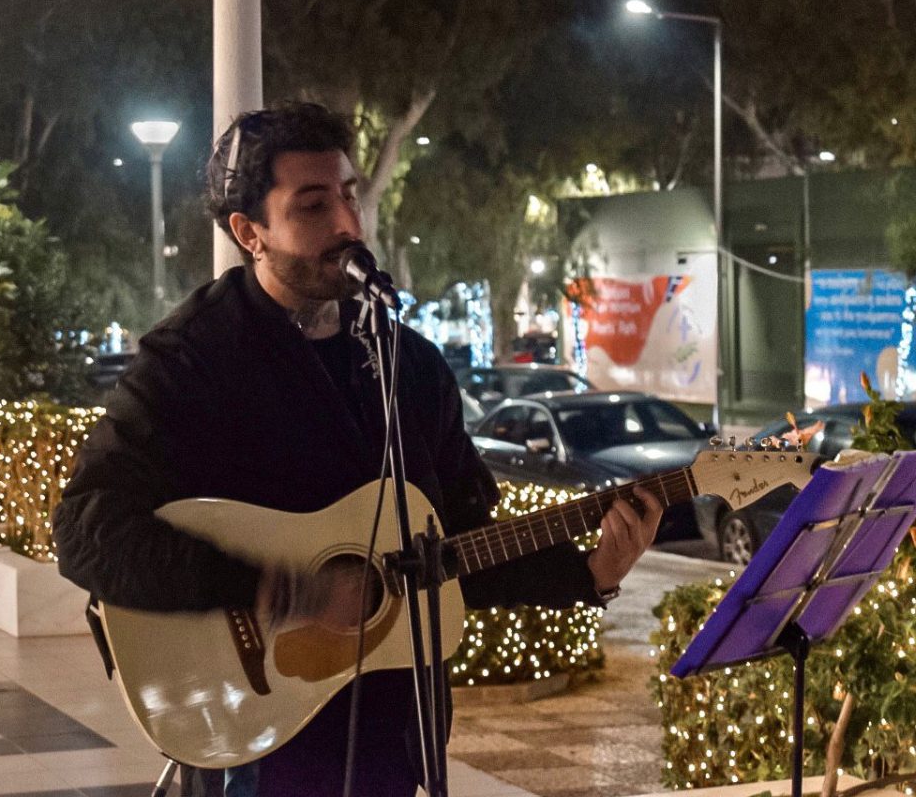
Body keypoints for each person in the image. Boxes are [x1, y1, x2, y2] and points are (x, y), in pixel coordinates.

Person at [53, 102, 661, 797]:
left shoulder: (412, 367)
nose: (347, 224)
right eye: (313, 206)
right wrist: (287, 590)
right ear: (250, 232)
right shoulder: (192, 362)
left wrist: (592, 572)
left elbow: (454, 550)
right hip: (258, 735)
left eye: (348, 195)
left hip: (396, 729)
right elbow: (85, 532)